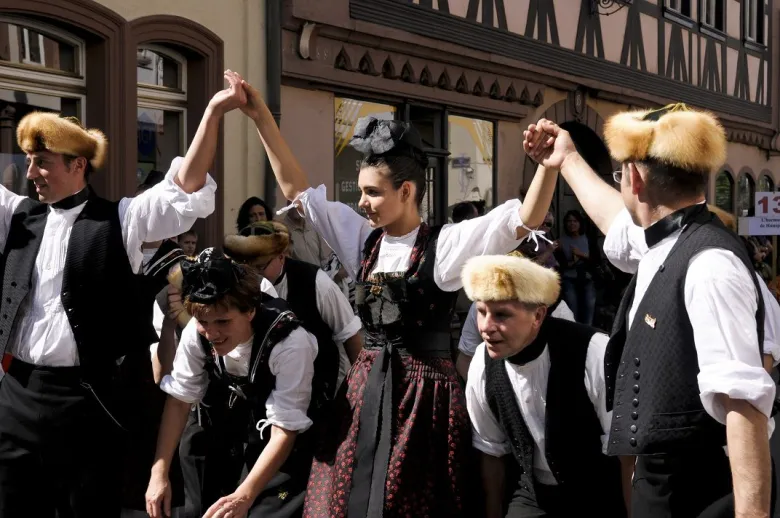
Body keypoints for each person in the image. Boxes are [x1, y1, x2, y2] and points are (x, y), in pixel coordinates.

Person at [238, 73, 560, 517]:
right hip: (366, 387)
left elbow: (523, 219)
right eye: (363, 191)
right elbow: (296, 190)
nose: (362, 202)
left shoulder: (444, 246)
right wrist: (259, 117)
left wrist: (548, 165)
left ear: (406, 191)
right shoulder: (362, 240)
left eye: (372, 192)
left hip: (423, 399)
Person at [0, 69, 245, 517]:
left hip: (87, 399)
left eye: (43, 161)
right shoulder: (17, 216)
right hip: (16, 394)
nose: (31, 172)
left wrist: (212, 112)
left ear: (77, 165)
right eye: (29, 160)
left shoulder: (122, 220)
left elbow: (185, 188)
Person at [526, 104, 775, 517]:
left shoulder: (710, 265)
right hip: (666, 484)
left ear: (635, 179)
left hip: (701, 489)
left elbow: (744, 402)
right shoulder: (671, 241)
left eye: (621, 173)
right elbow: (616, 222)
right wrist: (567, 159)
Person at [145, 249, 319, 518]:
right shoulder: (198, 331)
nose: (212, 333)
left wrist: (244, 496)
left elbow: (285, 430)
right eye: (204, 322)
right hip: (234, 431)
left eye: (223, 322)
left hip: (286, 442)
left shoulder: (290, 343)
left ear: (249, 311)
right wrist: (159, 473)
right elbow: (180, 402)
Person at [462, 254, 626, 517]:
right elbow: (490, 448)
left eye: (502, 314)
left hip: (599, 493)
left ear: (538, 315)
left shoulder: (593, 352)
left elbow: (627, 454)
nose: (486, 327)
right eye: (481, 312)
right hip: (533, 494)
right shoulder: (482, 362)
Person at [223, 221, 362, 390]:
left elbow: (349, 335)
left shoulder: (316, 282)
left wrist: (359, 389)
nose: (254, 275)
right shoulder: (235, 285)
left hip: (317, 390)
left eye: (260, 267)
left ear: (281, 256)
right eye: (246, 268)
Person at [558, 209, 596, 325]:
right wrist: (572, 261)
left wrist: (581, 254)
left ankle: (588, 336)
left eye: (575, 221)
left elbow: (596, 260)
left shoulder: (588, 239)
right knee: (572, 310)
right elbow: (561, 264)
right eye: (569, 221)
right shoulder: (561, 242)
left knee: (589, 310)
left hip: (587, 279)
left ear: (580, 223)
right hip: (569, 280)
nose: (572, 224)